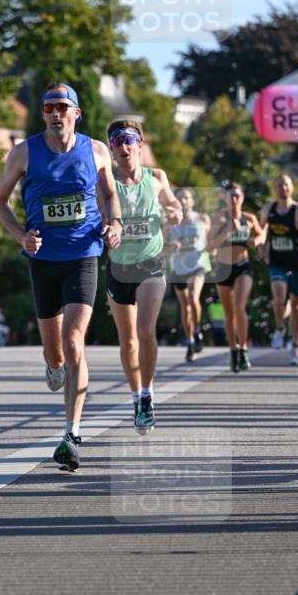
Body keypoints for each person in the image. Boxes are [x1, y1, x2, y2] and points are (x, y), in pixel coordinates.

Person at [0, 81, 122, 471]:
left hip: (84, 254)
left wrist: (114, 222)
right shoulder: (23, 152)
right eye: (48, 107)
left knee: (74, 339)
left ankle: (72, 432)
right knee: (56, 353)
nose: (55, 114)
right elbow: (0, 201)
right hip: (43, 258)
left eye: (62, 107)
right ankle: (53, 366)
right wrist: (21, 236)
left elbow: (110, 193)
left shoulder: (96, 151)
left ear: (76, 113)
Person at [105, 120, 182, 434]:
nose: (123, 148)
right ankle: (136, 396)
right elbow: (99, 213)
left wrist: (176, 211)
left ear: (139, 144)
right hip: (120, 268)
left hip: (151, 263)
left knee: (145, 330)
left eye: (128, 141)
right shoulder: (107, 182)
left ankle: (148, 395)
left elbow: (173, 204)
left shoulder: (156, 177)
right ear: (111, 149)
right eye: (117, 143)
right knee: (128, 341)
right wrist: (109, 230)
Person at [207, 182, 263, 372]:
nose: (234, 199)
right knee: (229, 314)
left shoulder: (249, 218)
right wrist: (227, 231)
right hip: (223, 269)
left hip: (242, 267)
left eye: (237, 195)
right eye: (230, 196)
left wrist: (257, 240)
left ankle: (244, 349)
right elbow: (210, 246)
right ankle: (233, 351)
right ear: (225, 198)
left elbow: (261, 235)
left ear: (243, 197)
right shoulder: (218, 219)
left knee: (239, 305)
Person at [259, 173, 298, 366]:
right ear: (275, 188)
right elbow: (260, 232)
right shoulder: (267, 209)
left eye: (286, 185)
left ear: (292, 187)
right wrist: (261, 248)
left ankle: (294, 345)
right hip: (277, 262)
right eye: (279, 185)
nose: (283, 188)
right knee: (278, 299)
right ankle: (279, 328)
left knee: (296, 306)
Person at [165, 187, 210, 362]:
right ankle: (190, 340)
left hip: (197, 266)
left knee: (193, 297)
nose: (183, 201)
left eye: (186, 198)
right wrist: (171, 246)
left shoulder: (202, 218)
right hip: (179, 268)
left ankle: (197, 330)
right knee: (184, 306)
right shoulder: (171, 222)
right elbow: (162, 243)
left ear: (192, 201)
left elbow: (209, 236)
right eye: (180, 199)